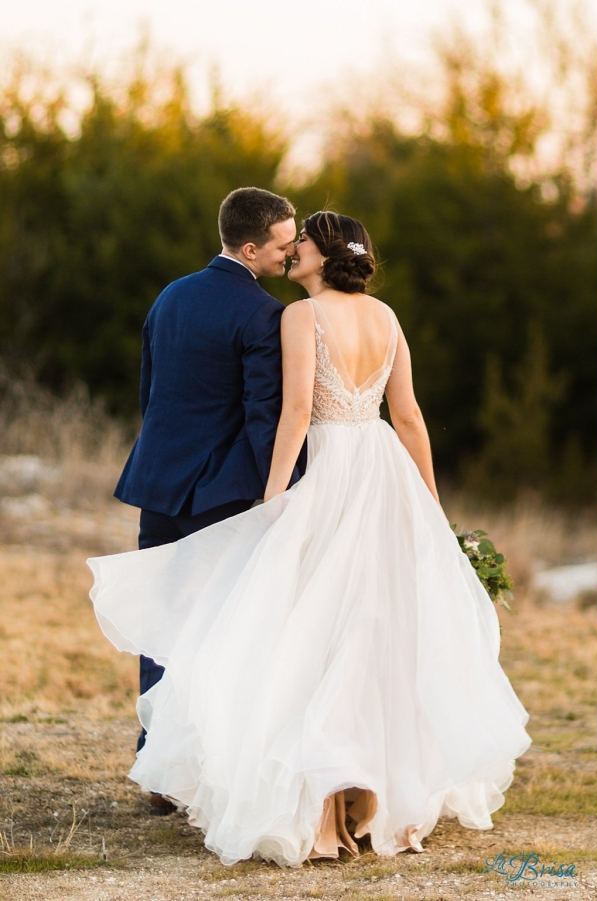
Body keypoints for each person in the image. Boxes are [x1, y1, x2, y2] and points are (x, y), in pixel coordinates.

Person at [89, 210, 531, 866]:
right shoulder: (386, 318)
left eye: (302, 244)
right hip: (383, 473)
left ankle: (326, 808)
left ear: (323, 257)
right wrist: (431, 503)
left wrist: (274, 499)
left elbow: (296, 410)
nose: (292, 251)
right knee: (378, 627)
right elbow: (408, 416)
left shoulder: (300, 317)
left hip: (328, 467)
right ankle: (380, 796)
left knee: (312, 629)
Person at [112, 186, 303, 813]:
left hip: (159, 486)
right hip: (221, 495)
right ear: (250, 248)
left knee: (162, 624)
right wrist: (278, 492)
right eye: (282, 244)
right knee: (223, 628)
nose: (290, 252)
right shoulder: (261, 314)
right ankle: (204, 768)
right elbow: (262, 418)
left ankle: (158, 769)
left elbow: (151, 392)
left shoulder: (170, 296)